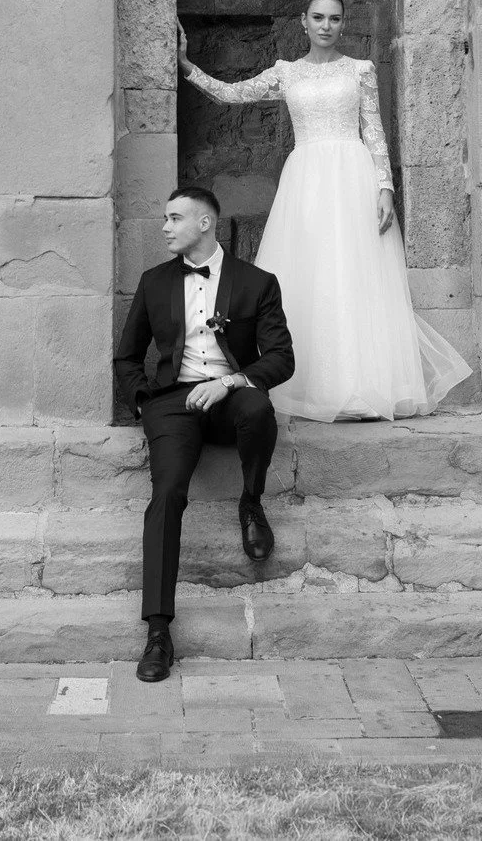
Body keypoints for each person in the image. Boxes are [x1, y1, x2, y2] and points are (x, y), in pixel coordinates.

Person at [177, 0, 471, 423]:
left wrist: (385, 188)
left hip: (353, 176)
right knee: (309, 273)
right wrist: (187, 67)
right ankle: (309, 386)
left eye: (334, 19)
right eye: (318, 18)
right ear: (304, 21)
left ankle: (363, 387)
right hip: (307, 179)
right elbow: (232, 94)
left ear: (343, 23)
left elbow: (373, 130)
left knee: (355, 273)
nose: (326, 26)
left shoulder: (361, 70)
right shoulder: (286, 73)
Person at [113, 185, 295, 684]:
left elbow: (281, 359)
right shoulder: (154, 282)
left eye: (174, 218)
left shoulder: (256, 283)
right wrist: (143, 400)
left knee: (257, 407)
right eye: (164, 218)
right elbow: (127, 357)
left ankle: (251, 501)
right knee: (167, 494)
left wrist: (228, 382)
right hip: (173, 402)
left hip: (228, 393)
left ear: (205, 223)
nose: (165, 227)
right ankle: (157, 632)